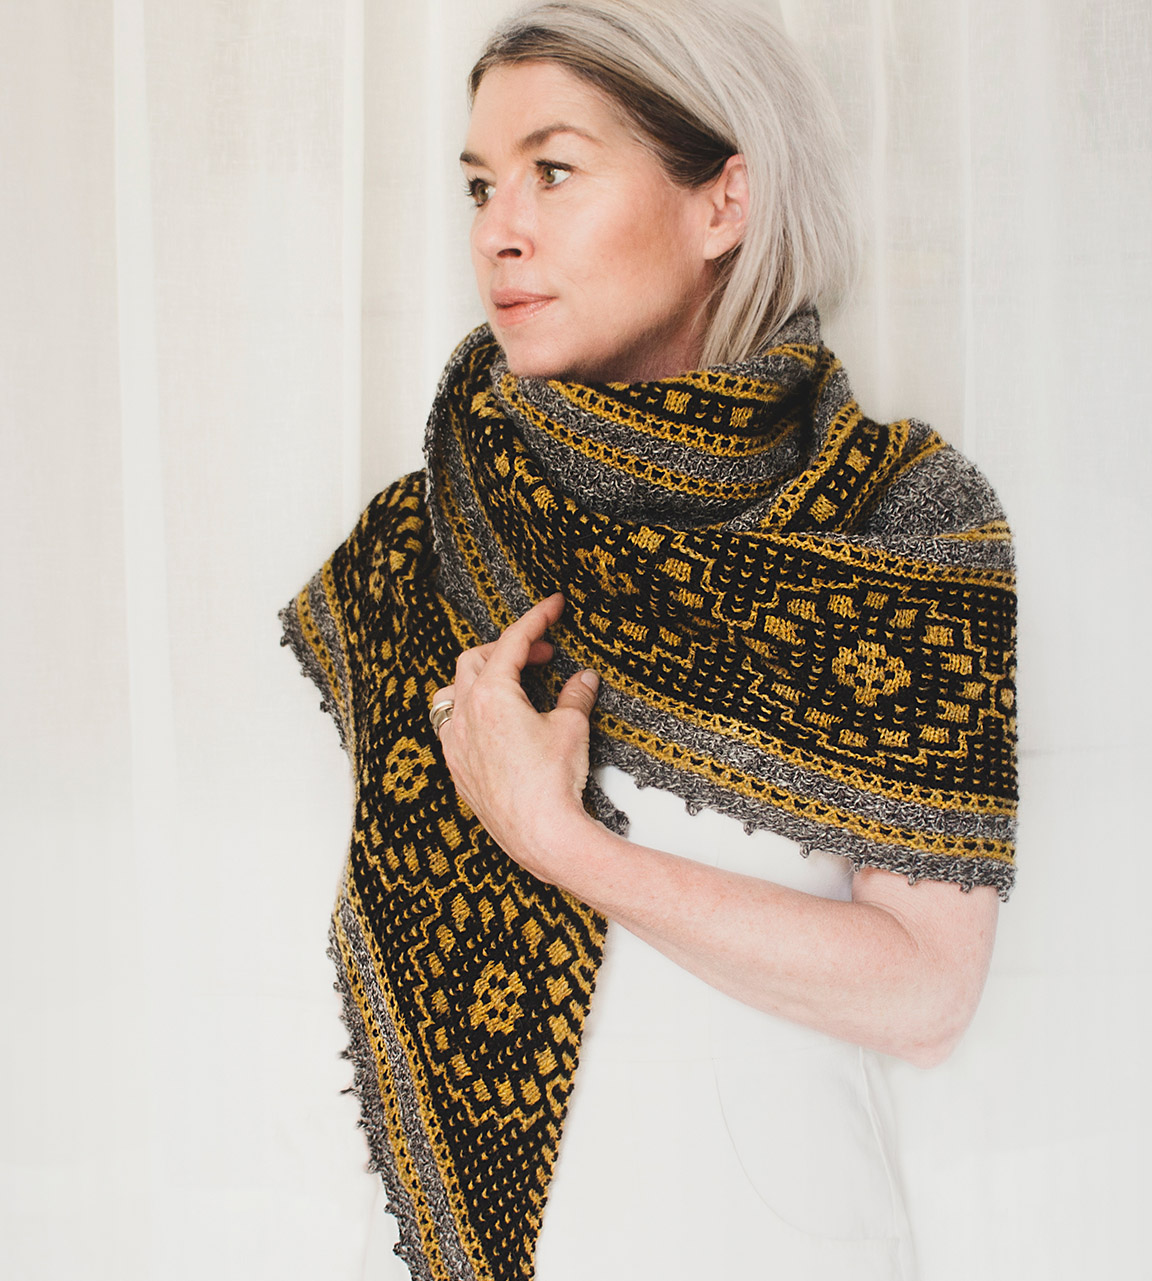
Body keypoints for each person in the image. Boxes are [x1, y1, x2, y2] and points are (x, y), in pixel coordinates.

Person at [281, 2, 1018, 1279]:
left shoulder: (899, 520)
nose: (498, 231)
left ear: (724, 202)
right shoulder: (431, 530)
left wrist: (559, 842)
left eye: (555, 171)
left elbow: (924, 998)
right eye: (481, 185)